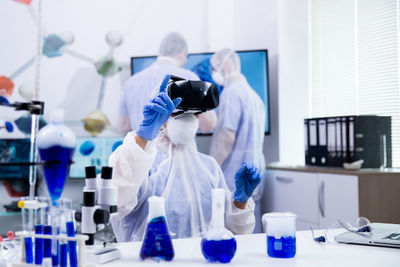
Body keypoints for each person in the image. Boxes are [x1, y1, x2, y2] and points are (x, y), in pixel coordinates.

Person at [109, 75, 262, 242]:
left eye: (195, 113)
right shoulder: (141, 163)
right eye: (177, 112)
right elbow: (114, 204)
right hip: (152, 260)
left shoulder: (209, 168)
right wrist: (142, 137)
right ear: (162, 115)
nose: (188, 117)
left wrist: (240, 202)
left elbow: (230, 233)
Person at [209, 48, 266, 232]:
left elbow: (226, 138)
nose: (214, 72)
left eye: (214, 67)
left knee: (233, 230)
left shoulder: (231, 93)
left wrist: (210, 169)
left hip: (235, 175)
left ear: (225, 64)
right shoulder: (255, 97)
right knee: (249, 224)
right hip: (254, 172)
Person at [119, 32, 216, 134]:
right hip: (176, 149)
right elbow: (207, 125)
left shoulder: (130, 83)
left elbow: (124, 127)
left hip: (141, 148)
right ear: (182, 53)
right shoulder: (189, 78)